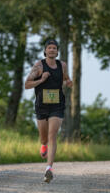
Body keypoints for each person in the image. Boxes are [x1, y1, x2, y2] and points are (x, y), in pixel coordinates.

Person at [25, 39, 72, 183]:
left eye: (54, 48)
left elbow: (65, 79)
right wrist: (41, 80)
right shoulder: (39, 66)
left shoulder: (62, 65)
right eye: (49, 48)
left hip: (57, 104)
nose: (52, 50)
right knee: (44, 138)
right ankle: (43, 144)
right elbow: (27, 84)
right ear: (45, 51)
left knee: (53, 136)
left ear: (57, 51)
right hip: (41, 105)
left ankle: (48, 169)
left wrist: (68, 82)